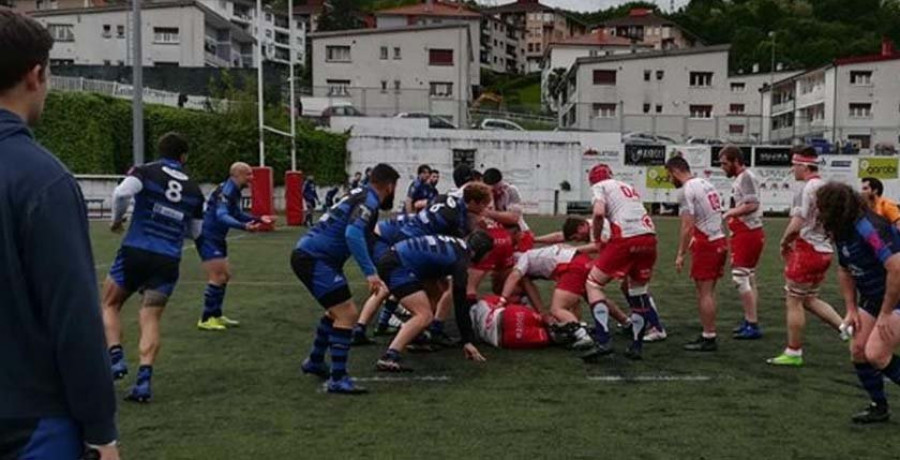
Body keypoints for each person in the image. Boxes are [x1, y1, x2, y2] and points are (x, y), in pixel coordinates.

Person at [0, 10, 119, 459]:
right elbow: (73, 322)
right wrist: (101, 433)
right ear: (36, 75)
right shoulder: (42, 179)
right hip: (30, 421)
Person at [102, 132, 204, 403]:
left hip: (136, 250)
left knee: (110, 304)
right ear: (183, 157)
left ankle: (116, 358)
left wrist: (116, 220)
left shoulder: (145, 171)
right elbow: (195, 232)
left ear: (160, 151)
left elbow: (122, 192)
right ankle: (144, 383)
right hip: (168, 258)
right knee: (150, 318)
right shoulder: (194, 189)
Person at [292, 163, 399, 394]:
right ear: (390, 186)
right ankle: (337, 378)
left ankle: (315, 360)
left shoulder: (360, 193)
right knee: (348, 314)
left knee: (335, 312)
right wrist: (370, 272)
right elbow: (353, 234)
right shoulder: (369, 201)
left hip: (314, 255)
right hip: (315, 258)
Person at [352, 184, 493, 346]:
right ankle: (363, 329)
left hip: (404, 239)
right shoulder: (455, 218)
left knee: (436, 288)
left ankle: (412, 328)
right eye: (482, 204)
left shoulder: (447, 199)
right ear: (473, 202)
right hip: (393, 241)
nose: (484, 209)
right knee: (388, 284)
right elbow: (458, 244)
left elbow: (422, 207)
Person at [819, 183, 900, 424]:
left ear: (835, 207)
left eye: (821, 207)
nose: (818, 213)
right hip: (876, 298)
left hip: (895, 297)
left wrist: (886, 313)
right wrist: (852, 308)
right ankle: (879, 407)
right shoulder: (841, 229)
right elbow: (845, 269)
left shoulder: (869, 229)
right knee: (858, 349)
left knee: (876, 353)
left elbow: (896, 269)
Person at [375, 233, 494, 372]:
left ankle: (417, 338)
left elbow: (433, 260)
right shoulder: (461, 260)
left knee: (436, 293)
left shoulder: (457, 245)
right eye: (488, 254)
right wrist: (467, 340)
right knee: (424, 315)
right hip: (398, 265)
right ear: (481, 250)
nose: (487, 258)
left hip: (397, 259)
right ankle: (389, 356)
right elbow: (460, 303)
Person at [768, 147, 843, 366]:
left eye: (794, 164)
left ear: (803, 165)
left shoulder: (807, 188)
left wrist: (784, 241)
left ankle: (793, 351)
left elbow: (798, 222)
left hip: (808, 249)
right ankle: (846, 329)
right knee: (809, 299)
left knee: (794, 300)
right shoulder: (825, 186)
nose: (792, 169)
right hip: (824, 250)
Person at [581, 164, 662, 361]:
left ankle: (603, 340)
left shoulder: (600, 187)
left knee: (593, 284)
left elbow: (599, 213)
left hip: (626, 238)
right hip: (649, 238)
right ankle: (636, 346)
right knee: (638, 293)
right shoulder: (626, 186)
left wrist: (598, 239)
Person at [196, 162, 276, 331]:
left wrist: (259, 219)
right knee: (218, 276)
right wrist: (244, 226)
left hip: (217, 237)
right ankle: (206, 318)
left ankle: (216, 315)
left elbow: (236, 214)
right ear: (237, 174)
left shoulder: (234, 189)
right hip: (208, 236)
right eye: (248, 174)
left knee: (225, 276)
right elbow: (222, 215)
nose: (251, 178)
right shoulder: (227, 190)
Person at [666, 156, 726, 352]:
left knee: (705, 293)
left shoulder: (686, 190)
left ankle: (709, 336)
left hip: (708, 244)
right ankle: (708, 333)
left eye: (669, 175)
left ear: (675, 171)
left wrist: (680, 253)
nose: (669, 180)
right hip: (718, 239)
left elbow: (687, 226)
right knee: (707, 292)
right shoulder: (705, 183)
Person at [497, 243, 594, 350]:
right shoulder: (530, 264)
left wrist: (502, 300)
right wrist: (543, 313)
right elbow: (530, 290)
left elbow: (514, 276)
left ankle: (582, 334)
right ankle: (593, 325)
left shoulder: (522, 259)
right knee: (591, 299)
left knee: (557, 309)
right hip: (582, 259)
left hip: (571, 265)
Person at [719, 145, 765, 339]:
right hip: (747, 232)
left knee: (740, 278)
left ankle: (752, 324)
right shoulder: (742, 178)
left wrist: (729, 213)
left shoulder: (746, 177)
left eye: (724, 163)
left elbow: (752, 204)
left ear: (736, 161)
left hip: (748, 232)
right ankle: (750, 320)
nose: (722, 168)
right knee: (748, 277)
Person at [482, 168, 535, 252]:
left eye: (496, 187)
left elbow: (514, 218)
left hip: (518, 232)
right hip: (499, 233)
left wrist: (488, 213)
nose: (495, 191)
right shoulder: (485, 193)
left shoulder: (510, 190)